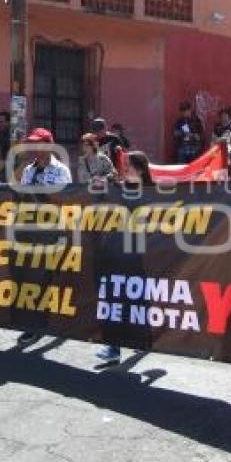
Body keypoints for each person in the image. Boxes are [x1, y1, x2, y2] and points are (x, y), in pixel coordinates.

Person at [96, 151, 154, 363]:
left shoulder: (151, 191)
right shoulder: (117, 187)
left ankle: (144, 338)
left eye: (128, 165)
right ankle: (113, 347)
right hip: (113, 252)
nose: (124, 168)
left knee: (136, 299)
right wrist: (101, 184)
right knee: (113, 299)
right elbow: (98, 199)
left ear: (139, 169)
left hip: (136, 254)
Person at [16, 128, 73, 346]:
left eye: (39, 144)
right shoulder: (28, 169)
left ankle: (49, 323)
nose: (35, 148)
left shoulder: (61, 171)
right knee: (31, 279)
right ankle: (33, 325)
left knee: (49, 279)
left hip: (52, 232)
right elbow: (18, 193)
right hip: (29, 231)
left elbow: (67, 199)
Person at [0, 111, 12, 183]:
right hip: (0, 167)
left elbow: (9, 145)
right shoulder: (1, 133)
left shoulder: (11, 133)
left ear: (8, 122)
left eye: (1, 122)